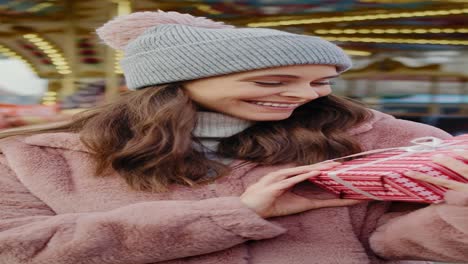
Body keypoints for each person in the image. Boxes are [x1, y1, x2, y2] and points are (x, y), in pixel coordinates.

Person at [0, 10, 466, 264]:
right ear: (176, 82)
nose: (303, 96)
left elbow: (395, 244)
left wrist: (460, 215)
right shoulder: (37, 157)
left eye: (321, 81)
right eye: (271, 82)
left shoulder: (386, 139)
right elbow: (19, 249)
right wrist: (232, 216)